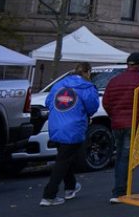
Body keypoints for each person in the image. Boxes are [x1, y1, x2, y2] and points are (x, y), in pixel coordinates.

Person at [41, 62, 99, 206]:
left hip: (56, 125)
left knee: (65, 158)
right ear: (88, 72)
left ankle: (70, 187)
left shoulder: (59, 84)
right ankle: (49, 195)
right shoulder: (87, 87)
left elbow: (48, 102)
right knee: (63, 161)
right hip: (74, 127)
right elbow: (92, 107)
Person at [102, 52, 139, 204]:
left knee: (121, 157)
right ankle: (120, 191)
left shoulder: (114, 81)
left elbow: (106, 102)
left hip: (117, 123)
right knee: (126, 157)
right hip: (134, 123)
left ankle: (121, 188)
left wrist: (114, 115)